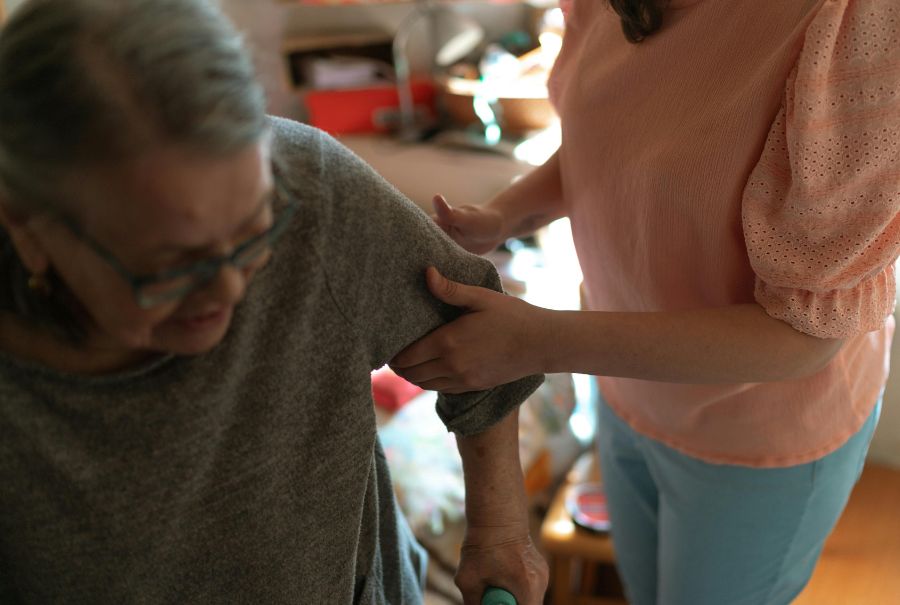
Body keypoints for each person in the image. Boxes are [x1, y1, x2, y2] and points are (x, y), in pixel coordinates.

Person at [0, 0, 549, 603]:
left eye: (254, 235)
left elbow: (483, 335)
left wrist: (499, 534)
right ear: (27, 227)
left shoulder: (311, 189)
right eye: (174, 267)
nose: (230, 291)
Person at [391, 0, 899, 603]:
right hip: (627, 392)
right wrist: (505, 214)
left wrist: (535, 342)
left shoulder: (854, 26)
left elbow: (802, 335)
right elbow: (612, 141)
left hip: (758, 436)